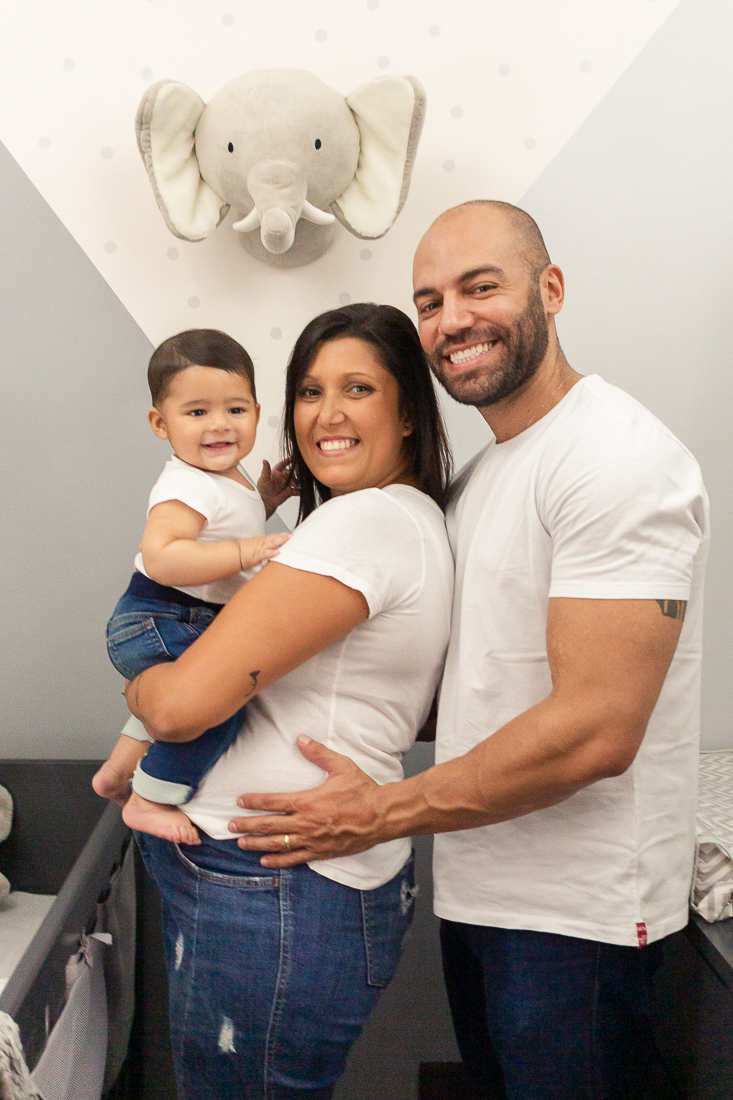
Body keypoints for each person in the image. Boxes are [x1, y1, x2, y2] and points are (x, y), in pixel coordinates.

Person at [231, 202, 709, 1100]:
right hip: (483, 890)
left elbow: (596, 730)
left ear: (550, 289)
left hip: (580, 921)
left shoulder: (614, 460)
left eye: (479, 288)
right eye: (429, 301)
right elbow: (469, 681)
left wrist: (377, 813)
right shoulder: (488, 472)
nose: (451, 319)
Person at [121, 303, 455, 1099]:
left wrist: (136, 677)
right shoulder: (398, 520)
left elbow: (177, 709)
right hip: (279, 879)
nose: (326, 414)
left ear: (408, 412)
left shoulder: (364, 523)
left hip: (268, 878)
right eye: (309, 391)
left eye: (357, 389)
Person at [93, 329, 292, 844]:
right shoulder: (186, 483)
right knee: (214, 702)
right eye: (197, 412)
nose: (219, 424)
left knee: (184, 692)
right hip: (162, 614)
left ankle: (117, 771)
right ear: (161, 423)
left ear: (257, 412)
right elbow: (163, 557)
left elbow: (221, 523)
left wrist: (264, 501)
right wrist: (245, 552)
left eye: (235, 409)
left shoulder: (225, 475)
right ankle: (149, 797)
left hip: (172, 617)